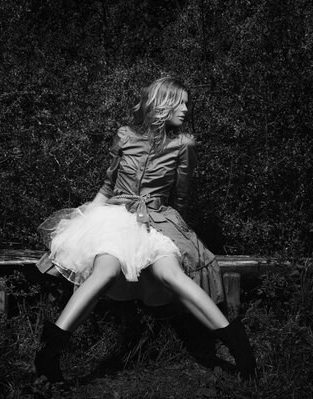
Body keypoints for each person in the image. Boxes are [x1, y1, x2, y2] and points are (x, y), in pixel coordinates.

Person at [34, 77, 256, 381]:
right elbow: (108, 185)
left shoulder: (183, 144)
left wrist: (175, 229)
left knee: (171, 274)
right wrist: (84, 216)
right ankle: (49, 354)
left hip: (157, 218)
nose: (187, 109)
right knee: (105, 272)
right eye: (182, 102)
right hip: (114, 217)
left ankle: (242, 354)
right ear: (163, 103)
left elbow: (181, 199)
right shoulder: (125, 136)